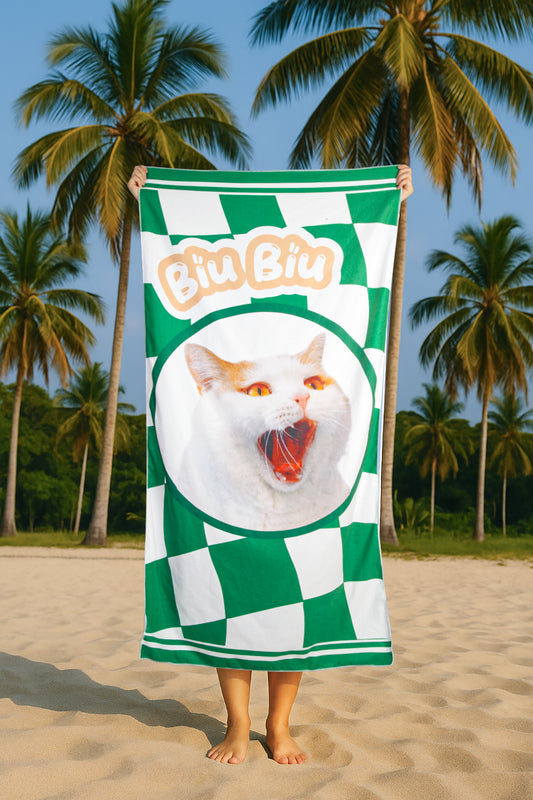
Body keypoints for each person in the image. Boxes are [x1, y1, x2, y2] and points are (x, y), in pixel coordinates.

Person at [128, 162, 413, 765]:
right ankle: (238, 725)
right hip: (224, 512)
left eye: (311, 379)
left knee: (298, 620)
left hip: (314, 516)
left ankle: (279, 727)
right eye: (259, 391)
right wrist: (152, 198)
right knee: (230, 608)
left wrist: (390, 194)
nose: (297, 396)